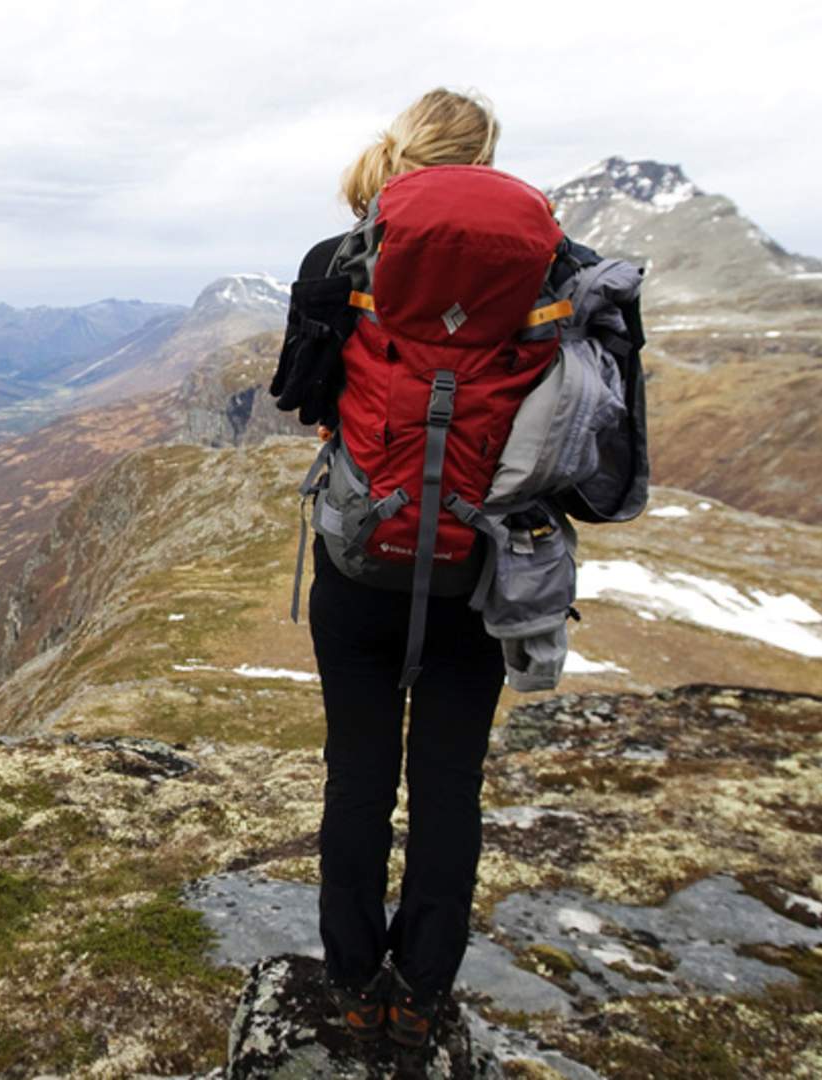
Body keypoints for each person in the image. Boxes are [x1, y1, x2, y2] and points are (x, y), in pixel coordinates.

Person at [295, 88, 510, 1054]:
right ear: (487, 158)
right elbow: (593, 450)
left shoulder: (338, 261)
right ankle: (420, 996)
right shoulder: (558, 269)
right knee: (450, 787)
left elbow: (305, 398)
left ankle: (352, 985)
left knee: (359, 778)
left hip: (359, 570)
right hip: (482, 574)